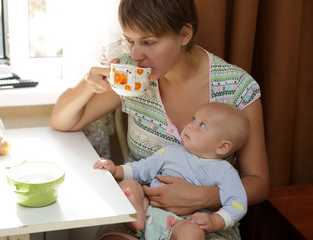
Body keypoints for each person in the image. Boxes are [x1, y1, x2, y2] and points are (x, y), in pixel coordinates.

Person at [50, 0, 269, 239]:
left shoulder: (237, 87)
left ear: (185, 34)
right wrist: (87, 83)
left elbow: (259, 183)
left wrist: (205, 195)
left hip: (203, 220)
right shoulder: (131, 75)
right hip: (139, 209)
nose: (135, 55)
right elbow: (63, 121)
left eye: (148, 42)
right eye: (130, 41)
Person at [94, 102, 249, 239]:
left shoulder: (224, 172)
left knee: (192, 233)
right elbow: (142, 168)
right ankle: (137, 217)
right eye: (193, 119)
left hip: (181, 223)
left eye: (202, 125)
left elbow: (238, 203)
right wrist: (116, 170)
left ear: (222, 147)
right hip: (149, 208)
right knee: (128, 185)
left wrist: (215, 220)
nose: (190, 125)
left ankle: (140, 220)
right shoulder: (170, 152)